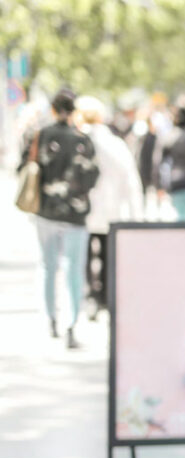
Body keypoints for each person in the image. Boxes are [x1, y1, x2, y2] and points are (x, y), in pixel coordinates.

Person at [18, 88, 100, 348]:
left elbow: (24, 167)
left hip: (46, 211)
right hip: (75, 214)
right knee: (73, 269)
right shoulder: (82, 140)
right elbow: (92, 177)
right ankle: (71, 323)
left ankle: (51, 318)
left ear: (53, 109)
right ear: (73, 111)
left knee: (48, 265)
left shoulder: (40, 135)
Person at [75, 96, 143, 318]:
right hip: (110, 209)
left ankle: (89, 295)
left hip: (82, 209)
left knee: (83, 254)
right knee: (106, 253)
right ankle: (104, 295)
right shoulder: (114, 142)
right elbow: (130, 179)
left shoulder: (78, 140)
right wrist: (136, 214)